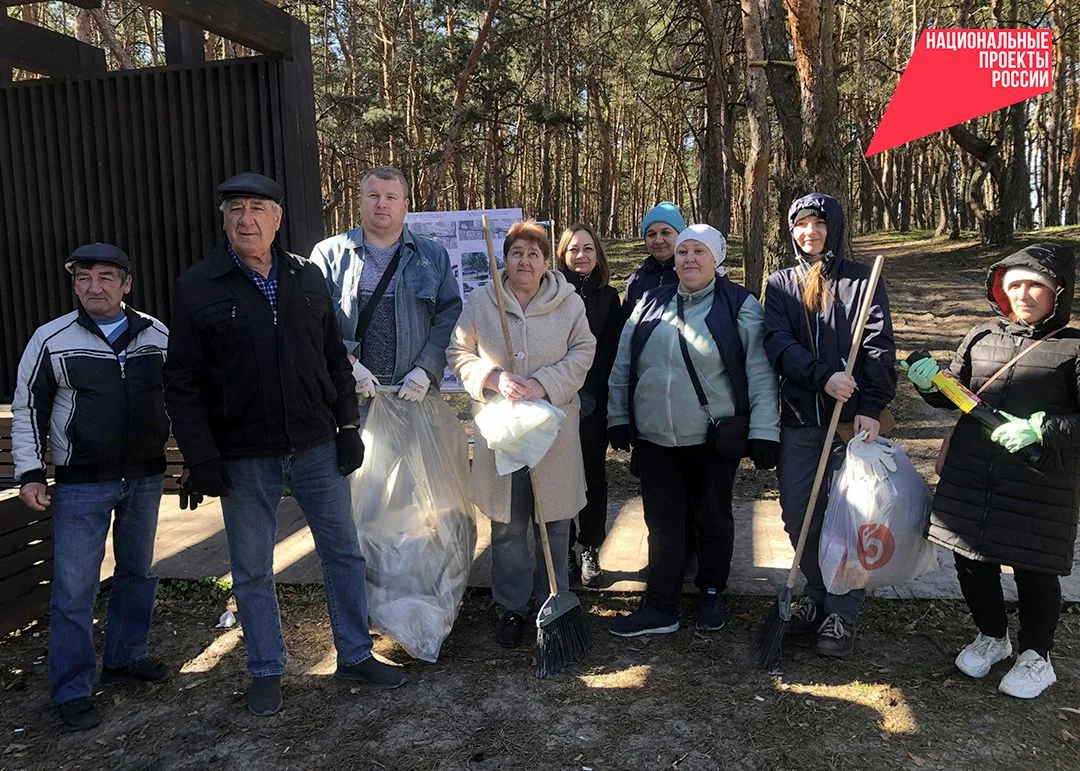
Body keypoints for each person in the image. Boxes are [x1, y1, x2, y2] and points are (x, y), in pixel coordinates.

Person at [164, 172, 404, 717]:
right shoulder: (198, 285)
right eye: (236, 209)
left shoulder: (306, 276)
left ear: (277, 218)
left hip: (317, 445)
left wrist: (347, 428)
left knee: (342, 553)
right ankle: (266, 668)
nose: (246, 219)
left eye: (257, 208)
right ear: (224, 220)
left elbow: (334, 361)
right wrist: (201, 455)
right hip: (244, 456)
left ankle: (355, 653)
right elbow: (182, 381)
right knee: (252, 567)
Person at [903, 243, 1079, 699]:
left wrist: (1041, 428)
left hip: (1038, 481)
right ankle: (992, 636)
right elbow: (957, 395)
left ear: (1058, 292)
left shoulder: (1074, 348)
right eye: (1015, 285)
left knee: (1033, 567)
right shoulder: (981, 336)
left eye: (1035, 286)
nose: (1023, 294)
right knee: (969, 558)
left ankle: (1037, 656)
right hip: (972, 474)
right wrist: (928, 384)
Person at [12, 243, 171, 731]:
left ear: (127, 284)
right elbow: (28, 407)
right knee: (75, 587)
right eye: (83, 278)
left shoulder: (156, 335)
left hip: (144, 476)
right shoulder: (51, 339)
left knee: (137, 572)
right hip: (81, 481)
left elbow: (179, 398)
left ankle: (125, 656)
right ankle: (72, 687)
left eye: (105, 277)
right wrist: (30, 471)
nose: (93, 286)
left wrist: (190, 461)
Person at [607, 224, 780, 636]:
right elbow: (623, 363)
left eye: (699, 251)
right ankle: (661, 606)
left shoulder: (739, 305)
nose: (688, 259)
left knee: (713, 518)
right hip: (654, 438)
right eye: (683, 252)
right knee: (662, 524)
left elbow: (759, 371)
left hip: (710, 438)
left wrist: (765, 430)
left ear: (716, 258)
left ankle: (711, 592)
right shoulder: (650, 301)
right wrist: (618, 416)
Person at [447, 220, 596, 648]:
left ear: (546, 262)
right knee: (508, 526)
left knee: (555, 523)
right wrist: (493, 377)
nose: (524, 261)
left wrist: (544, 383)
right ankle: (510, 607)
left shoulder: (568, 303)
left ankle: (554, 601)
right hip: (504, 432)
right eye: (516, 253)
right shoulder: (483, 301)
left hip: (553, 433)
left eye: (533, 254)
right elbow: (458, 351)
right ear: (505, 259)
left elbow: (584, 351)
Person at [763, 192, 896, 658]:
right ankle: (816, 592)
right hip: (801, 418)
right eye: (801, 224)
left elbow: (878, 345)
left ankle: (842, 611)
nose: (810, 232)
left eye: (819, 223)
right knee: (799, 514)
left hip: (852, 424)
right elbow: (778, 343)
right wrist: (822, 376)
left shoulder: (863, 280)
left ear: (833, 228)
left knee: (851, 517)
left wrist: (871, 405)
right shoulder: (781, 284)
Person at [309, 165, 462, 409]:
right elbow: (312, 320)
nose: (382, 204)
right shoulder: (328, 254)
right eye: (373, 196)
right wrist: (347, 363)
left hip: (413, 397)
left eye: (391, 197)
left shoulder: (433, 256)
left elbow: (449, 316)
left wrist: (426, 369)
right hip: (345, 397)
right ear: (360, 201)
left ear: (405, 206)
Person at [557, 224, 625, 586]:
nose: (580, 255)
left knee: (592, 476)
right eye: (573, 249)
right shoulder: (550, 293)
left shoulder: (609, 298)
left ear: (598, 255)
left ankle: (590, 547)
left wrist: (592, 394)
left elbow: (611, 351)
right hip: (555, 399)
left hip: (593, 402)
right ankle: (564, 546)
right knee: (560, 475)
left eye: (587, 248)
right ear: (562, 255)